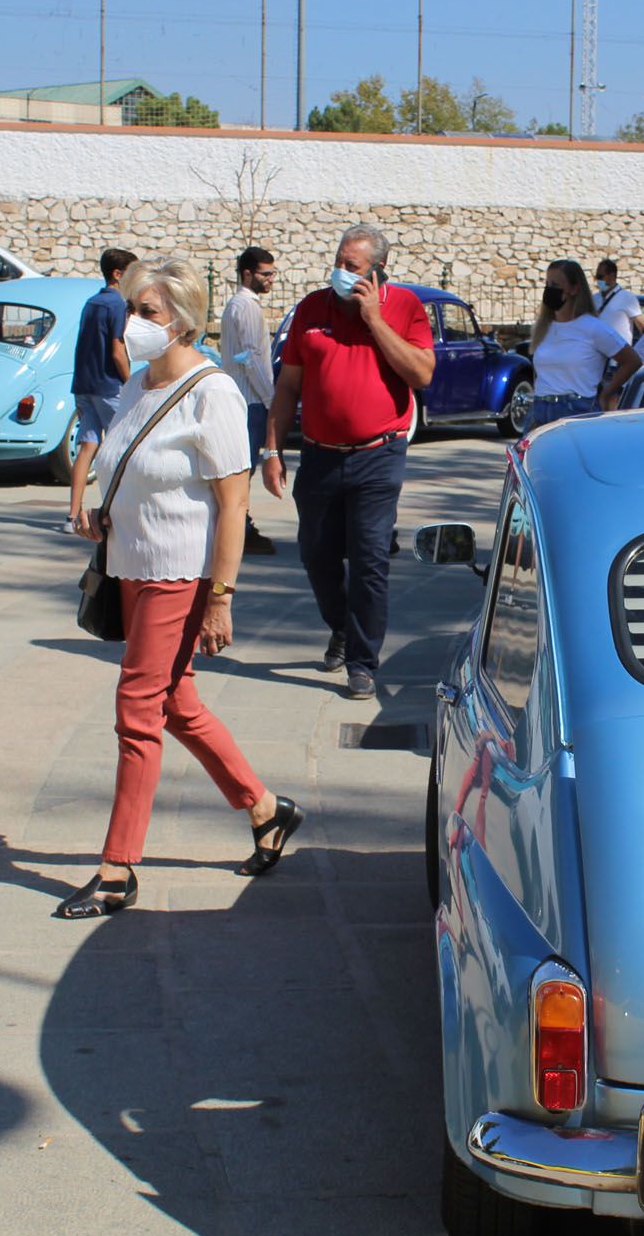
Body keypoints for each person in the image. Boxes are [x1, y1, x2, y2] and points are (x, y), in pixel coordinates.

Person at [58, 258, 304, 919]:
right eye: (133, 308)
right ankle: (265, 807)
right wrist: (100, 511)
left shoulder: (213, 393)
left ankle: (118, 867)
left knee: (138, 708)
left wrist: (221, 594)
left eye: (150, 312)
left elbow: (232, 501)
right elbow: (123, 464)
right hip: (129, 564)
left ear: (187, 322)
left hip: (179, 573)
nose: (133, 322)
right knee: (175, 702)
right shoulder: (138, 382)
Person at [261, 223, 435, 701]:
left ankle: (362, 662)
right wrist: (272, 450)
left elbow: (421, 373)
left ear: (377, 271)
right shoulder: (311, 310)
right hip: (318, 454)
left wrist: (375, 320)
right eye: (338, 261)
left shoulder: (405, 308)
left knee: (370, 559)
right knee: (316, 554)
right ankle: (340, 626)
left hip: (379, 455)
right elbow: (288, 387)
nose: (339, 271)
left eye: (351, 266)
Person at [68, 249, 138, 530]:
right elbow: (118, 349)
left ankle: (73, 514)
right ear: (118, 274)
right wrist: (130, 381)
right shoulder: (117, 306)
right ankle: (118, 510)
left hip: (84, 384)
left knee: (88, 446)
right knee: (122, 447)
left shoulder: (92, 303)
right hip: (108, 385)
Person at [221, 246, 280, 554]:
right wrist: (271, 397)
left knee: (244, 467)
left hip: (247, 398)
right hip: (247, 399)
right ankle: (239, 527)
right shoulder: (244, 306)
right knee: (242, 468)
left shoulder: (244, 305)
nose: (271, 279)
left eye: (273, 273)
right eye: (265, 274)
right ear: (247, 274)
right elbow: (249, 357)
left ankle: (238, 523)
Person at [529, 258, 640, 413]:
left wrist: (607, 393)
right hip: (540, 408)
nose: (549, 290)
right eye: (547, 285)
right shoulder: (543, 328)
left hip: (575, 409)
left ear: (574, 289)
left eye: (555, 285)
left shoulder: (593, 327)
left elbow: (632, 361)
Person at [592, 258, 644, 342]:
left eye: (600, 277)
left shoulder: (627, 298)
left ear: (612, 276)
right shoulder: (594, 299)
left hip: (620, 353)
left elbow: (642, 326)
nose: (597, 280)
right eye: (596, 277)